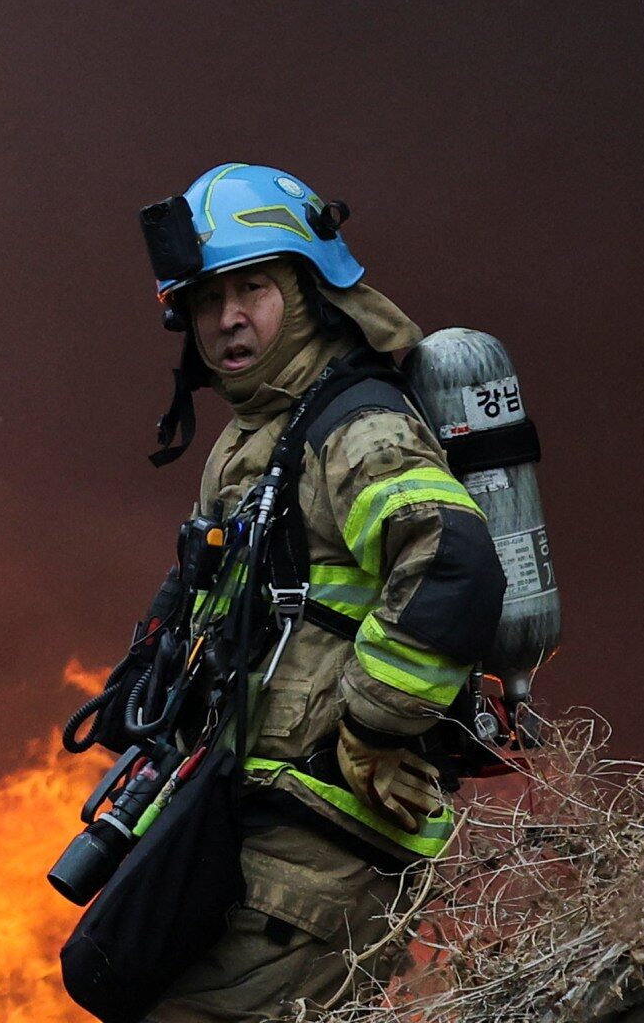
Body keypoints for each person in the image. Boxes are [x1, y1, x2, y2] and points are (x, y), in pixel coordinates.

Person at [140, 163, 507, 1021]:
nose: (227, 318)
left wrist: (373, 729)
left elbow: (451, 559)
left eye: (252, 288)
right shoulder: (256, 439)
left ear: (309, 292)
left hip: (318, 852)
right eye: (205, 299)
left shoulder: (355, 427)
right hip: (255, 835)